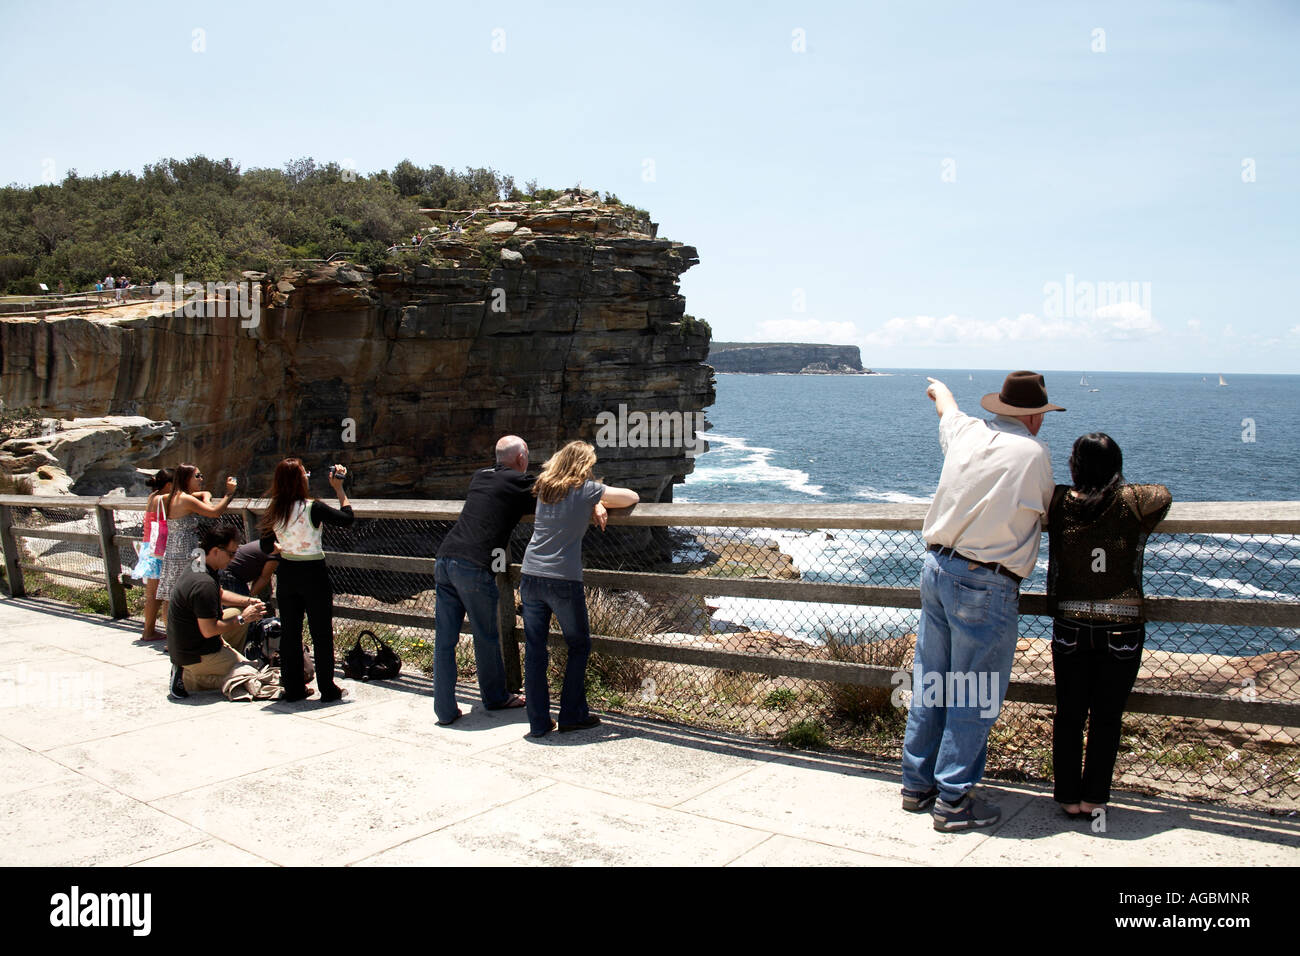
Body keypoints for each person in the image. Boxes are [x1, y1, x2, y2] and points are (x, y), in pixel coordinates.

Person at [901, 371, 1063, 832]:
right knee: (974, 692)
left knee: (932, 681)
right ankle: (953, 801)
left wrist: (939, 388)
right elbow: (1046, 510)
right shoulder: (1033, 454)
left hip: (936, 568)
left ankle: (917, 785)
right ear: (1034, 416)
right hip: (984, 581)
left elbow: (945, 410)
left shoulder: (968, 431)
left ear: (998, 407)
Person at [1047, 433, 1170, 819]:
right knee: (1106, 716)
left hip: (1070, 624)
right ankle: (1094, 798)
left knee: (1069, 713)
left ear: (1075, 465)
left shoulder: (1060, 501)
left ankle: (1067, 796)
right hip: (1123, 628)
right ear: (1115, 464)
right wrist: (1117, 485)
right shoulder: (1132, 501)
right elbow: (1162, 495)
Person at [520, 441, 638, 737]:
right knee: (579, 645)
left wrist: (595, 501)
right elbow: (631, 497)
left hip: (530, 574)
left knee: (535, 649)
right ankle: (571, 714)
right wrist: (598, 498)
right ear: (584, 465)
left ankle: (538, 722)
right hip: (562, 578)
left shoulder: (544, 487)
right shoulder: (585, 489)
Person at [258, 459, 354, 703]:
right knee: (321, 632)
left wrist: (284, 546)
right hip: (313, 572)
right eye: (305, 473)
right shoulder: (313, 507)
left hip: (287, 572)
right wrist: (340, 489)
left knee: (291, 632)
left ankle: (293, 688)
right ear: (300, 480)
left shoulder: (275, 508)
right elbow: (347, 518)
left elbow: (266, 545)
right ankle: (327, 688)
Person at [167, 525, 268, 699]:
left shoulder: (199, 563)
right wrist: (243, 618)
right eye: (231, 554)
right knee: (252, 674)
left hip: (192, 640)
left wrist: (248, 601)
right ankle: (188, 677)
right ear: (215, 551)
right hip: (196, 652)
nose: (234, 558)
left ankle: (221, 661)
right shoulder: (203, 583)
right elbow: (209, 630)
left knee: (237, 611)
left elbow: (219, 593)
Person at [156, 464, 237, 603]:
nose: (201, 479)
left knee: (172, 595)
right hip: (186, 550)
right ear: (186, 478)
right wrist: (229, 493)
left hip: (173, 550)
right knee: (194, 587)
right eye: (197, 476)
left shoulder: (172, 497)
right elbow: (214, 512)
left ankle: (170, 625)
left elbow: (202, 495)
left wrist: (206, 495)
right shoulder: (186, 499)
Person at [132, 468, 173, 641]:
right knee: (166, 594)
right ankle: (171, 635)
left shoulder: (152, 496)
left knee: (152, 594)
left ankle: (148, 630)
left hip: (149, 546)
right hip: (159, 548)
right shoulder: (164, 498)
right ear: (169, 485)